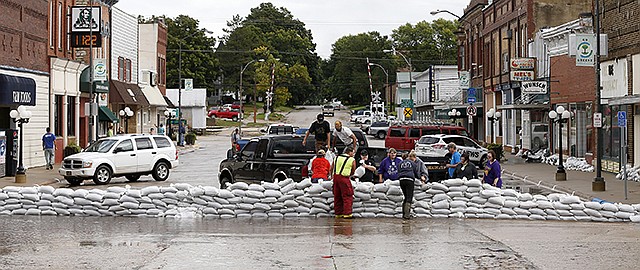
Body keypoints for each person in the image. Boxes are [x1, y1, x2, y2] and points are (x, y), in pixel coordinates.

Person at [331, 146, 356, 219]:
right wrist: (350, 174)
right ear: (349, 152)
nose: (353, 154)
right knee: (347, 196)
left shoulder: (336, 158)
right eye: (353, 153)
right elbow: (353, 170)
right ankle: (347, 214)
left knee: (337, 196)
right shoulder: (351, 159)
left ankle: (338, 213)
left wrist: (331, 176)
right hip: (344, 178)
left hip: (335, 177)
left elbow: (332, 168)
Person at [397, 151, 424, 219]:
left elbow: (398, 172)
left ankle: (403, 213)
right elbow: (416, 172)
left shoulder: (400, 163)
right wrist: (420, 178)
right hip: (409, 180)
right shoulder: (412, 163)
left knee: (405, 196)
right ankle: (407, 215)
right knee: (409, 197)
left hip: (402, 180)